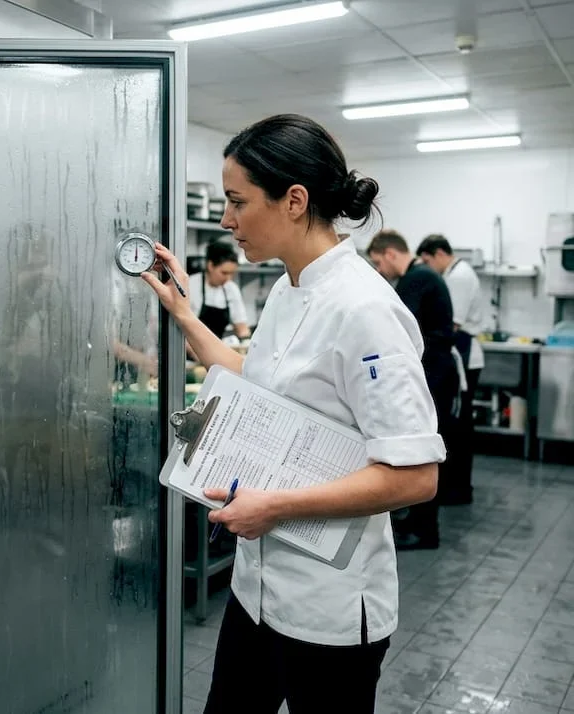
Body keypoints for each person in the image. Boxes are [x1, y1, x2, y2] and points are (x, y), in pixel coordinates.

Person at [141, 114, 444, 714]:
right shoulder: (286, 288)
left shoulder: (364, 309)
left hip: (330, 609)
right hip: (256, 592)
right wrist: (183, 313)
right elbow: (252, 380)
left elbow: (415, 475)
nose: (226, 220)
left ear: (294, 201)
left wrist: (273, 506)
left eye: (237, 201)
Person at [366, 230, 460, 550]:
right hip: (437, 368)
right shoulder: (424, 275)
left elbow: (394, 328)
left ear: (391, 254)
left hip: (434, 371)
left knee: (420, 452)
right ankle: (419, 524)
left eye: (378, 263)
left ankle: (424, 531)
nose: (379, 271)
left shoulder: (415, 280)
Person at [416, 234, 484, 505]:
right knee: (457, 425)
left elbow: (451, 324)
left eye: (428, 260)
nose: (428, 266)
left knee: (457, 426)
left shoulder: (459, 277)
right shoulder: (456, 273)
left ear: (440, 254)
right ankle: (456, 487)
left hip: (464, 355)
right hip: (461, 353)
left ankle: (457, 489)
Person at [188, 241, 251, 340]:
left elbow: (241, 327)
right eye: (224, 273)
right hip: (190, 349)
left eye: (231, 274)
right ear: (210, 266)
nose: (228, 278)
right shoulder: (190, 285)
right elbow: (184, 330)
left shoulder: (231, 289)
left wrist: (246, 343)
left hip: (216, 350)